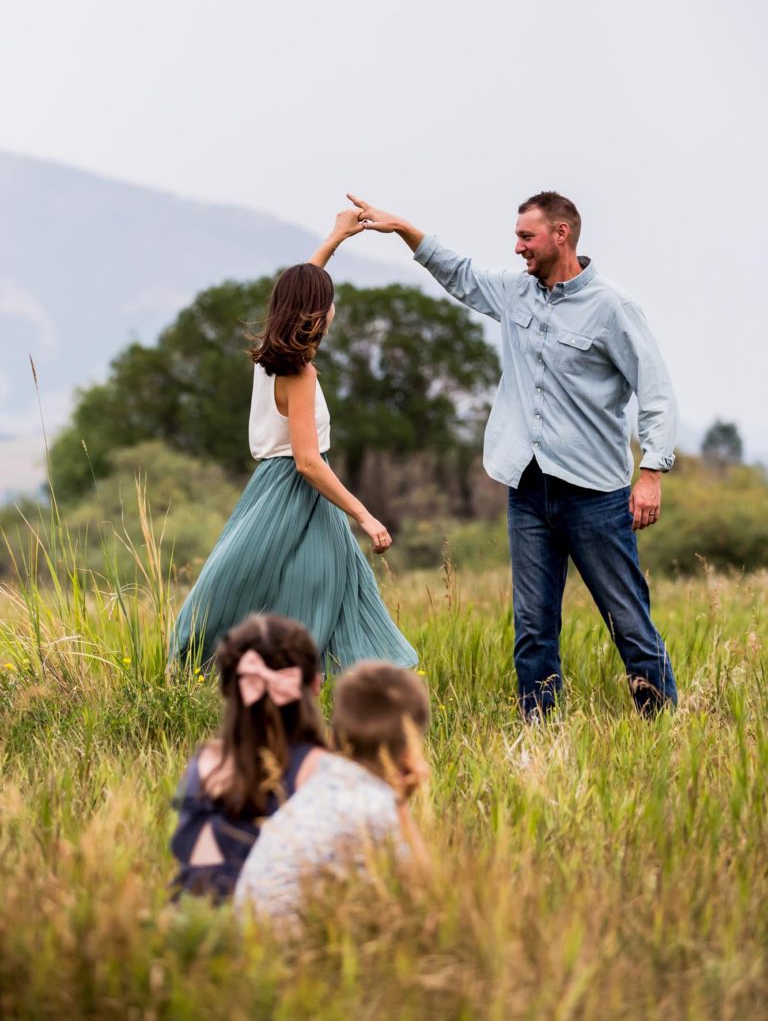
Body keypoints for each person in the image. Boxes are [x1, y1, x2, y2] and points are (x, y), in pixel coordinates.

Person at [348, 190, 678, 718]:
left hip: (595, 494)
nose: (518, 246)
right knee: (532, 624)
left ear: (561, 235)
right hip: (527, 488)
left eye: (527, 236)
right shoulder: (513, 293)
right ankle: (539, 733)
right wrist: (403, 228)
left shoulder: (613, 308)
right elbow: (459, 273)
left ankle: (662, 722)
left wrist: (653, 471)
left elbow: (656, 392)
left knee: (626, 616)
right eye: (518, 236)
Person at [168, 209, 417, 671]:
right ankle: (341, 688)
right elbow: (307, 461)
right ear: (319, 313)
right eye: (330, 301)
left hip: (271, 490)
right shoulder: (298, 372)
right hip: (295, 492)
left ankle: (341, 687)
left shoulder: (270, 356)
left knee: (330, 593)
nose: (335, 308)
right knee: (316, 599)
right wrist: (366, 515)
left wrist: (334, 239)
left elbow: (301, 286)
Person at [234, 661, 430, 924]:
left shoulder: (319, 780)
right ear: (408, 752)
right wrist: (401, 807)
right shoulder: (376, 807)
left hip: (246, 934)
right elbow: (424, 896)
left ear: (333, 736)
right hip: (286, 953)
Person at [170, 613, 327, 901]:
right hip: (283, 928)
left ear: (227, 689)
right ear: (314, 684)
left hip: (197, 930)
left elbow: (200, 875)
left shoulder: (206, 764)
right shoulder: (321, 769)